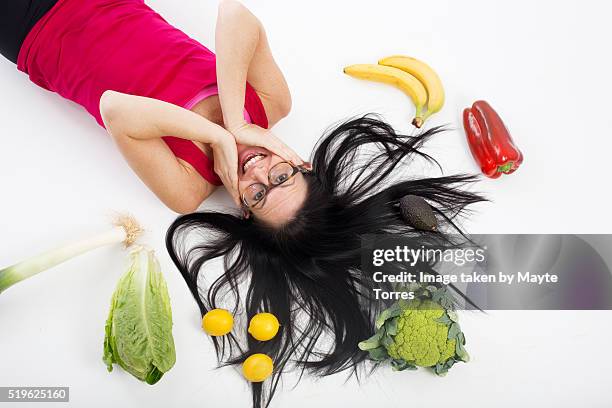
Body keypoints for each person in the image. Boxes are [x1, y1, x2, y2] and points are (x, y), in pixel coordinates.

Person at [2, 1, 485, 406]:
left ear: (241, 209)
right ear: (303, 164)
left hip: (29, 33)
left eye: (256, 193)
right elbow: (235, 13)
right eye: (280, 175)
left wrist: (215, 138)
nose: (256, 170)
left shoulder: (187, 186)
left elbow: (115, 107)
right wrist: (237, 118)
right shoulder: (270, 103)